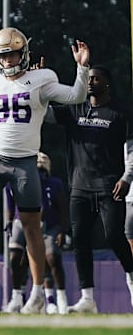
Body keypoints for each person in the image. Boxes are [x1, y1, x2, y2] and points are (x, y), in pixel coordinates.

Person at [0, 27, 90, 314]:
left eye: (12, 54)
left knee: (32, 229)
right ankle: (34, 292)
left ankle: (39, 292)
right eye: (3, 55)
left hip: (25, 164)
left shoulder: (41, 81)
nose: (7, 60)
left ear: (24, 53)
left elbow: (77, 96)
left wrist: (82, 68)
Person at [46, 65, 133, 313]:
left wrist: (127, 178)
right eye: (89, 78)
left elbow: (131, 149)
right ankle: (88, 299)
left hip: (109, 185)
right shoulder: (75, 109)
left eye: (96, 79)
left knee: (114, 236)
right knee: (81, 241)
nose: (91, 82)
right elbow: (44, 114)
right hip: (80, 187)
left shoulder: (121, 112)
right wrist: (39, 87)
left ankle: (131, 278)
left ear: (107, 83)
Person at [3, 152, 69, 314]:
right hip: (21, 221)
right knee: (15, 258)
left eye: (41, 169)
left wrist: (63, 229)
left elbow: (59, 208)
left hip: (48, 224)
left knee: (51, 258)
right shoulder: (13, 182)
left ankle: (56, 300)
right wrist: (9, 222)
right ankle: (17, 296)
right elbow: (10, 205)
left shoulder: (54, 183)